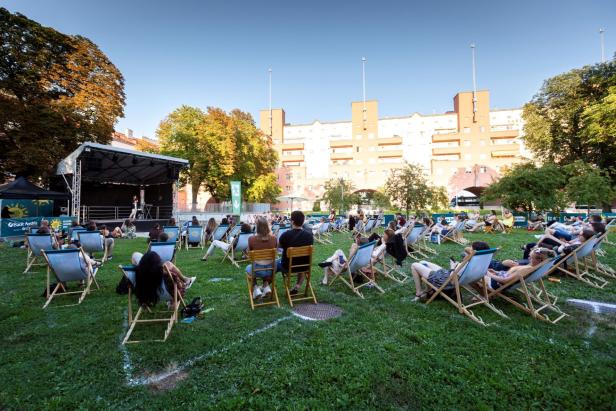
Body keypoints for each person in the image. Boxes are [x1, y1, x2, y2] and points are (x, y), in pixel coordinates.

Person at [410, 241, 490, 301]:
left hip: (444, 281)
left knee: (414, 265)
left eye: (471, 248)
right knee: (422, 262)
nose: (469, 249)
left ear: (473, 251)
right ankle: (429, 291)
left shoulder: (467, 263)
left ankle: (419, 293)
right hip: (449, 275)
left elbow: (452, 281)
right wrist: (457, 267)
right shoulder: (480, 262)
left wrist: (453, 266)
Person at [278, 210, 314, 295]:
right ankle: (297, 286)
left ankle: (265, 287)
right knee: (301, 262)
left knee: (274, 264)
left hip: (287, 266)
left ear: (292, 221)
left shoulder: (286, 235)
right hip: (304, 266)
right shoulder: (309, 235)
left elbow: (278, 247)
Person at [485, 247, 555, 290]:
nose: (528, 258)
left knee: (475, 273)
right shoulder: (533, 267)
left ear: (539, 260)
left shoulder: (527, 269)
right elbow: (507, 275)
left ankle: (483, 294)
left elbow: (505, 280)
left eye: (531, 257)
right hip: (499, 279)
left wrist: (488, 274)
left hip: (496, 284)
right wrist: (496, 272)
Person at [245, 217, 278, 299]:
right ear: (267, 226)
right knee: (266, 264)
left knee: (248, 268)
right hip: (271, 270)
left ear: (257, 227)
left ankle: (256, 288)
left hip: (257, 270)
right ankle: (266, 286)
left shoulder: (251, 239)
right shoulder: (274, 238)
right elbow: (276, 252)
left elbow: (249, 255)